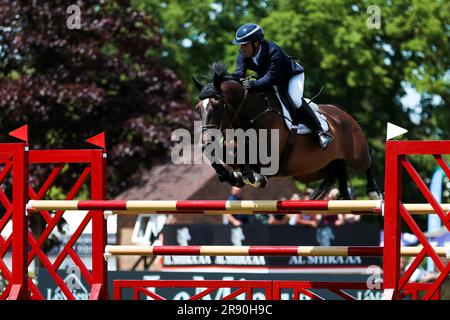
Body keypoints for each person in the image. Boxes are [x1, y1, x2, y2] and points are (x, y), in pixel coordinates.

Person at [232, 23, 334, 150]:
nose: (242, 48)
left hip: (290, 77)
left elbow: (270, 78)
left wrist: (254, 84)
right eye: (241, 45)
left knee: (295, 100)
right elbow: (239, 73)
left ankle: (320, 132)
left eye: (245, 44)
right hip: (269, 79)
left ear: (256, 43)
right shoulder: (243, 53)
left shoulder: (274, 51)